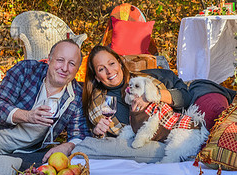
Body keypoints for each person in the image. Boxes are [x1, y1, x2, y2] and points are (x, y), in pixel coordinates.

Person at [77, 44, 235, 161]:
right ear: (96, 76)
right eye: (101, 69)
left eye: (111, 64)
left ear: (119, 62)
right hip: (161, 139)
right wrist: (99, 132)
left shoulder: (148, 78)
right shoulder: (98, 105)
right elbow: (104, 138)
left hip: (187, 109)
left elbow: (185, 97)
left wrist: (154, 95)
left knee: (211, 106)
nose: (109, 71)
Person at [0, 39, 90, 162]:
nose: (64, 68)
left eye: (72, 63)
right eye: (60, 60)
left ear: (77, 69)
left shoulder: (76, 96)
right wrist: (28, 116)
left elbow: (79, 134)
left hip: (18, 154)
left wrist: (68, 146)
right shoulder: (27, 70)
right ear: (49, 59)